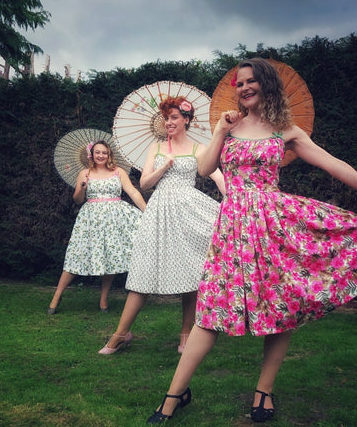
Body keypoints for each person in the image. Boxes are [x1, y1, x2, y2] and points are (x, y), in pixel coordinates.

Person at [146, 58, 357, 424]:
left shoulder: (286, 130)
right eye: (239, 83)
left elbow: (331, 163)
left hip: (273, 224)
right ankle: (173, 395)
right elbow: (204, 169)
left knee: (280, 305)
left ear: (267, 84)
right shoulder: (228, 125)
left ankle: (263, 392)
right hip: (233, 226)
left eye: (250, 81)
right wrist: (219, 133)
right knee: (210, 309)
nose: (243, 88)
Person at [98, 96, 226, 355]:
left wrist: (233, 201)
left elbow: (218, 177)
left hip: (189, 212)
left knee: (192, 272)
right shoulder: (155, 149)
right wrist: (164, 166)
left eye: (174, 118)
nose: (168, 122)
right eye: (166, 118)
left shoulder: (199, 149)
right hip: (159, 212)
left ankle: (186, 335)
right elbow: (145, 184)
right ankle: (121, 334)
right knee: (144, 270)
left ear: (187, 120)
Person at [48, 140, 146, 314]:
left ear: (109, 155)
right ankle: (57, 295)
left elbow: (132, 192)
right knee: (76, 255)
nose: (101, 155)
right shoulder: (84, 173)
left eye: (104, 153)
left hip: (114, 219)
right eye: (98, 152)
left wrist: (147, 211)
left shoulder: (118, 172)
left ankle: (103, 299)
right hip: (90, 220)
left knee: (111, 257)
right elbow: (77, 200)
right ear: (91, 155)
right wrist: (81, 187)